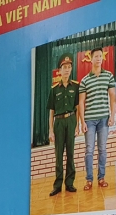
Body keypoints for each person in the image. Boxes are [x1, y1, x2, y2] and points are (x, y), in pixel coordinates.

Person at [79, 47, 116, 190]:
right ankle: (89, 180)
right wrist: (82, 122)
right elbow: (81, 102)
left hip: (104, 119)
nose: (98, 58)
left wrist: (112, 116)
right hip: (89, 120)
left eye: (100, 56)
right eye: (96, 56)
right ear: (91, 59)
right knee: (89, 149)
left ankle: (101, 177)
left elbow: (113, 97)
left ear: (103, 58)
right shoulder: (84, 80)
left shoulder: (109, 76)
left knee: (102, 149)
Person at [47, 53, 80, 195]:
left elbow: (78, 108)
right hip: (59, 122)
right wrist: (50, 130)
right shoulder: (54, 89)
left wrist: (77, 125)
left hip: (71, 120)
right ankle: (57, 185)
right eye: (64, 67)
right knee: (59, 155)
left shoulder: (76, 87)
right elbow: (51, 112)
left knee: (71, 154)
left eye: (69, 67)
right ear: (59, 71)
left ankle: (69, 183)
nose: (67, 70)